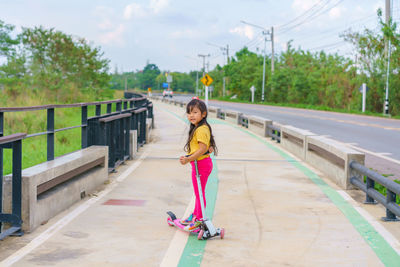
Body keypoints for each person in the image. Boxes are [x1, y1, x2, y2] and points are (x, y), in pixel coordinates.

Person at [179, 98, 217, 230]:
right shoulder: (200, 128)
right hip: (200, 164)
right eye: (189, 113)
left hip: (201, 165)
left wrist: (188, 159)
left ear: (204, 114)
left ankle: (200, 219)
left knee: (199, 193)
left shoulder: (201, 129)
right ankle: (196, 215)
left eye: (195, 112)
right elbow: (205, 146)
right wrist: (189, 157)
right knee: (198, 192)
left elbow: (201, 149)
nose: (191, 115)